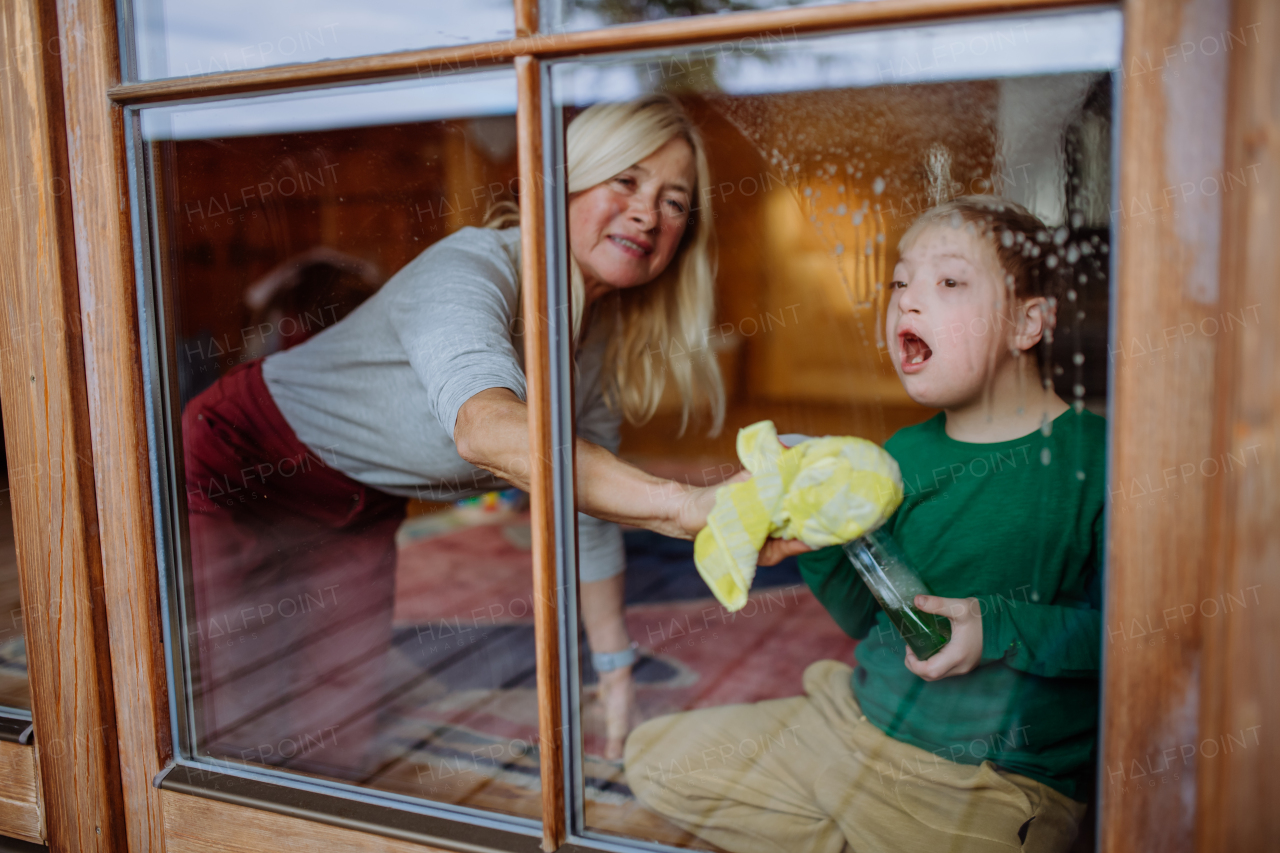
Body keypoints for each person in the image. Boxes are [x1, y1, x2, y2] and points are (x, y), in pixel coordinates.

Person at [182, 95, 790, 776]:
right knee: (227, 715)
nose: (649, 212)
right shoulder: (472, 268)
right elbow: (486, 427)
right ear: (567, 180)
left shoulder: (599, 340)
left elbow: (584, 509)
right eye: (626, 180)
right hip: (242, 460)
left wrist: (617, 666)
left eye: (674, 201)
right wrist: (685, 505)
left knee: (337, 728)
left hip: (361, 502)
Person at [625, 196, 1105, 853]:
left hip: (984, 782)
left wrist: (997, 627)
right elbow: (862, 619)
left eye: (949, 282)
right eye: (900, 282)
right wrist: (815, 535)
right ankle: (855, 822)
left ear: (1028, 323)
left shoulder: (1093, 458)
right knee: (655, 756)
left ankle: (855, 826)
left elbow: (1131, 639)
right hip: (850, 722)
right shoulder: (899, 456)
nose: (907, 302)